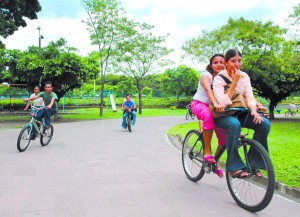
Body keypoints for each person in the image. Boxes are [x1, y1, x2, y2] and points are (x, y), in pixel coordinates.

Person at [213, 49, 270, 178]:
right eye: (233, 61)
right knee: (234, 124)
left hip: (240, 112)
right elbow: (223, 102)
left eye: (239, 60)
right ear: (226, 62)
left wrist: (254, 111)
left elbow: (250, 96)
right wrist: (234, 82)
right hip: (223, 115)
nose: (237, 64)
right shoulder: (219, 78)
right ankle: (234, 167)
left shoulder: (244, 76)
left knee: (264, 123)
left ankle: (254, 164)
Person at [190, 54, 226, 178]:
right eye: (216, 62)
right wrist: (215, 103)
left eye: (222, 62)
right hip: (199, 104)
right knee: (208, 116)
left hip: (215, 108)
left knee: (224, 139)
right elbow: (208, 90)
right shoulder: (206, 75)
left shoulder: (225, 78)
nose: (219, 64)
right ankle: (207, 151)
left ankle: (214, 163)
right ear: (211, 65)